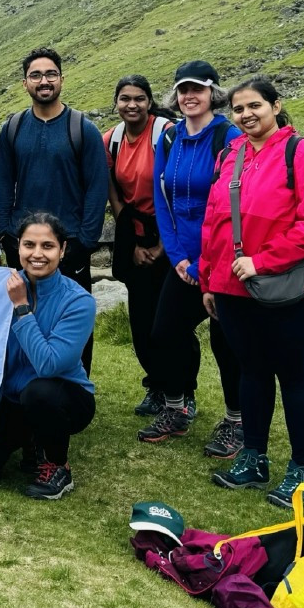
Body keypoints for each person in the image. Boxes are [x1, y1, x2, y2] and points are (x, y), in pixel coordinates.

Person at [203, 78, 304, 508]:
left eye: (254, 105)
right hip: (232, 286)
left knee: (293, 373)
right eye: (238, 109)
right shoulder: (232, 156)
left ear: (276, 106)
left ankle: (302, 470)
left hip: (292, 288)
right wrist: (210, 279)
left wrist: (263, 261)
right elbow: (214, 222)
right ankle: (253, 458)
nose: (245, 115)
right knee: (252, 371)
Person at [140, 60, 244, 458]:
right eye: (183, 90)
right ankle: (176, 408)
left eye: (197, 90)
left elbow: (230, 207)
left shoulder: (229, 137)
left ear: (212, 93)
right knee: (165, 333)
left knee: (226, 344)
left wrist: (206, 263)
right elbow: (161, 201)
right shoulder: (169, 138)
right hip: (183, 263)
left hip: (220, 263)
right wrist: (178, 257)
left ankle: (237, 421)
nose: (189, 97)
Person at [0, 46, 108, 373]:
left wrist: (85, 241)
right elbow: (3, 183)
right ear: (25, 83)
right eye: (36, 75)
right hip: (22, 244)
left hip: (70, 245)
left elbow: (97, 189)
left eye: (50, 74)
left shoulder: (82, 128)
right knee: (20, 312)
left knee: (72, 314)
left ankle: (75, 385)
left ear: (61, 78)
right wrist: (5, 232)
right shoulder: (13, 128)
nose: (44, 81)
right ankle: (20, 384)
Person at [0, 213, 97, 501]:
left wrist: (21, 307)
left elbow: (49, 364)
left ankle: (57, 464)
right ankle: (27, 440)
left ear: (63, 250)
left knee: (39, 392)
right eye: (28, 245)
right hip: (12, 400)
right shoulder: (1, 287)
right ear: (17, 248)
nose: (37, 254)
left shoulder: (79, 301)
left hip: (63, 396)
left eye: (47, 246)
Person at [104, 76, 177, 415]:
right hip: (133, 235)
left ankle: (181, 389)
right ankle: (156, 386)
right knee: (141, 319)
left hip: (171, 234)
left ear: (149, 101)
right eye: (124, 99)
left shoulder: (168, 134)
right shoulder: (111, 140)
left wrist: (163, 246)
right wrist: (133, 241)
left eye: (138, 98)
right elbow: (113, 192)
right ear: (116, 103)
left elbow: (179, 192)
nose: (131, 105)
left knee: (170, 321)